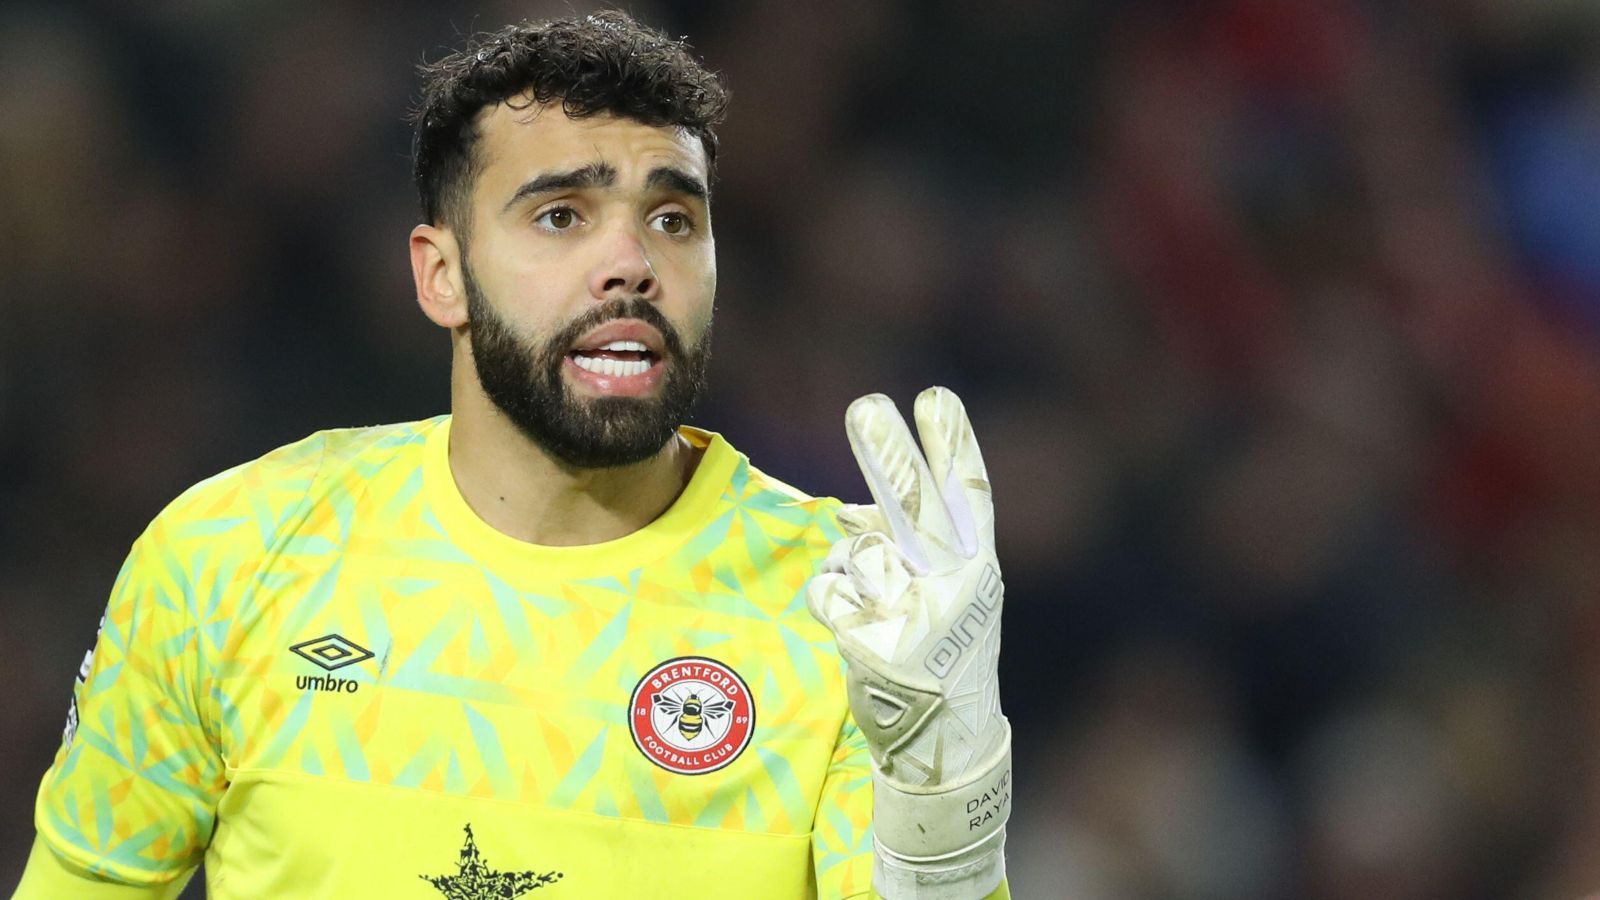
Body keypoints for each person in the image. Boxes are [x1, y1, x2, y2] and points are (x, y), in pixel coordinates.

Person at [13, 11, 1012, 899]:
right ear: (441, 276)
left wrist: (946, 821)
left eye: (673, 219)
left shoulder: (855, 608)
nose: (632, 264)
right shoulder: (230, 556)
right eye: (560, 216)